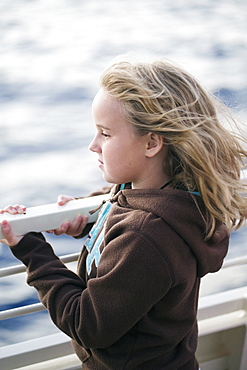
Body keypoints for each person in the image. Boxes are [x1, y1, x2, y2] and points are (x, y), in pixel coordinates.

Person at [1, 57, 247, 369]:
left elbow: (87, 324)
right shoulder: (173, 197)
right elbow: (122, 204)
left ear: (152, 143)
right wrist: (89, 217)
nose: (93, 145)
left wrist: (31, 250)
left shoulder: (148, 237)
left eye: (105, 133)